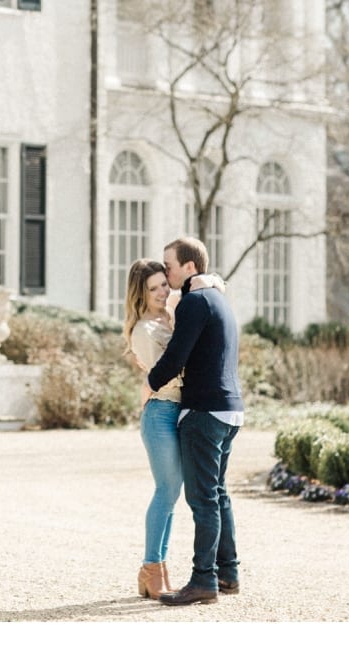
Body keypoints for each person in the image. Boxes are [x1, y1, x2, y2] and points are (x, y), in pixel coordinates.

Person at [146, 236, 243, 606]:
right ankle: (228, 572)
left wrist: (149, 382)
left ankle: (204, 580)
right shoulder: (218, 298)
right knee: (217, 495)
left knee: (202, 499)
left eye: (168, 264)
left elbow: (175, 357)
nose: (165, 270)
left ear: (189, 267)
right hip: (231, 409)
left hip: (204, 411)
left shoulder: (195, 302)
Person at [122, 257, 226, 600]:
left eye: (163, 284)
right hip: (160, 414)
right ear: (140, 294)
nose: (162, 291)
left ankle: (157, 568)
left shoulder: (171, 316)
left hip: (180, 411)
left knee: (174, 492)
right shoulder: (144, 330)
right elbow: (168, 371)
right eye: (153, 288)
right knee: (166, 490)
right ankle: (151, 568)